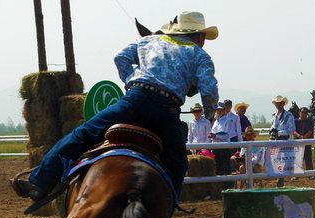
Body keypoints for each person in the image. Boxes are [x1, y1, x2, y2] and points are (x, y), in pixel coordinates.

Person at [13, 11, 219, 202]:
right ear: (199, 36)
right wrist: (209, 116)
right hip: (166, 111)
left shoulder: (149, 40)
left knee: (83, 135)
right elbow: (209, 90)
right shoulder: (200, 55)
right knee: (178, 163)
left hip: (134, 101)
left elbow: (120, 57)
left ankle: (39, 182)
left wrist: (131, 81)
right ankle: (169, 207)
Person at [271, 95, 295, 187]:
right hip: (276, 141)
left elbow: (291, 129)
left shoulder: (289, 115)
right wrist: (272, 132)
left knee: (287, 161)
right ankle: (280, 178)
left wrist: (279, 133)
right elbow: (272, 127)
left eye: (280, 103)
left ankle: (281, 178)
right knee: (277, 160)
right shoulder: (274, 116)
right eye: (276, 103)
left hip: (286, 141)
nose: (278, 105)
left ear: (283, 104)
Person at [210, 102, 235, 175]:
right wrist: (212, 136)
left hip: (224, 148)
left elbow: (227, 135)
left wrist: (215, 136)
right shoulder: (216, 121)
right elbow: (213, 132)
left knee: (225, 169)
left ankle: (227, 185)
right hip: (215, 147)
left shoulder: (228, 120)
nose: (219, 111)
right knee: (217, 168)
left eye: (220, 110)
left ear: (224, 110)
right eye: (217, 110)